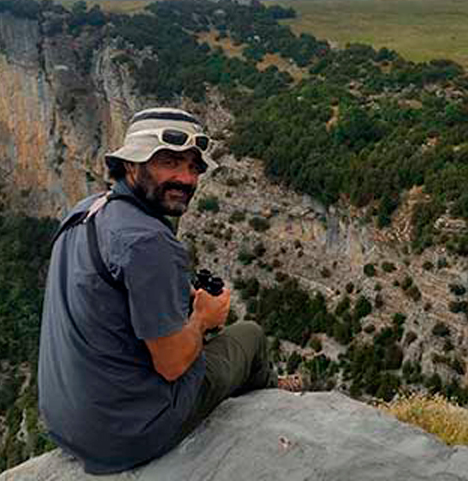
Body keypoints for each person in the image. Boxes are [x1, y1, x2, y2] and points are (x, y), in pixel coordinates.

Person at [38, 107, 294, 475]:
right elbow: (172, 365)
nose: (185, 178)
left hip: (65, 422)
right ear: (131, 165)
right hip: (129, 434)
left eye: (193, 167)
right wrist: (203, 318)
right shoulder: (150, 242)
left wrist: (171, 297)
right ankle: (277, 400)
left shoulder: (86, 211)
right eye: (169, 163)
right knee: (249, 335)